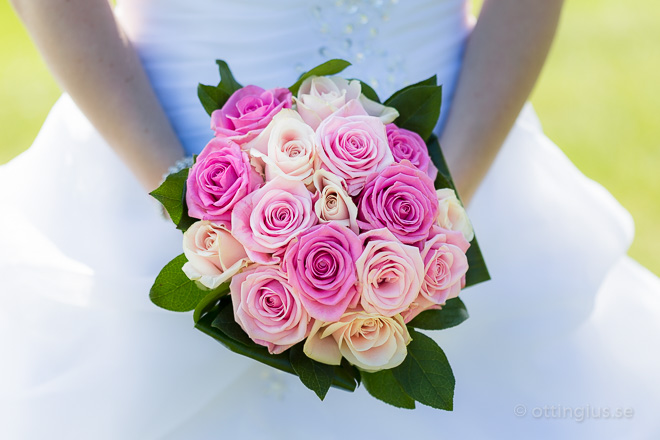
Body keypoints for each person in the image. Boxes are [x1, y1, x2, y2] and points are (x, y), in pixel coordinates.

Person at [1, 0, 658, 438]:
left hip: (461, 156)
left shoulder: (440, 211)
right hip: (151, 155)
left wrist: (433, 221)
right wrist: (196, 205)